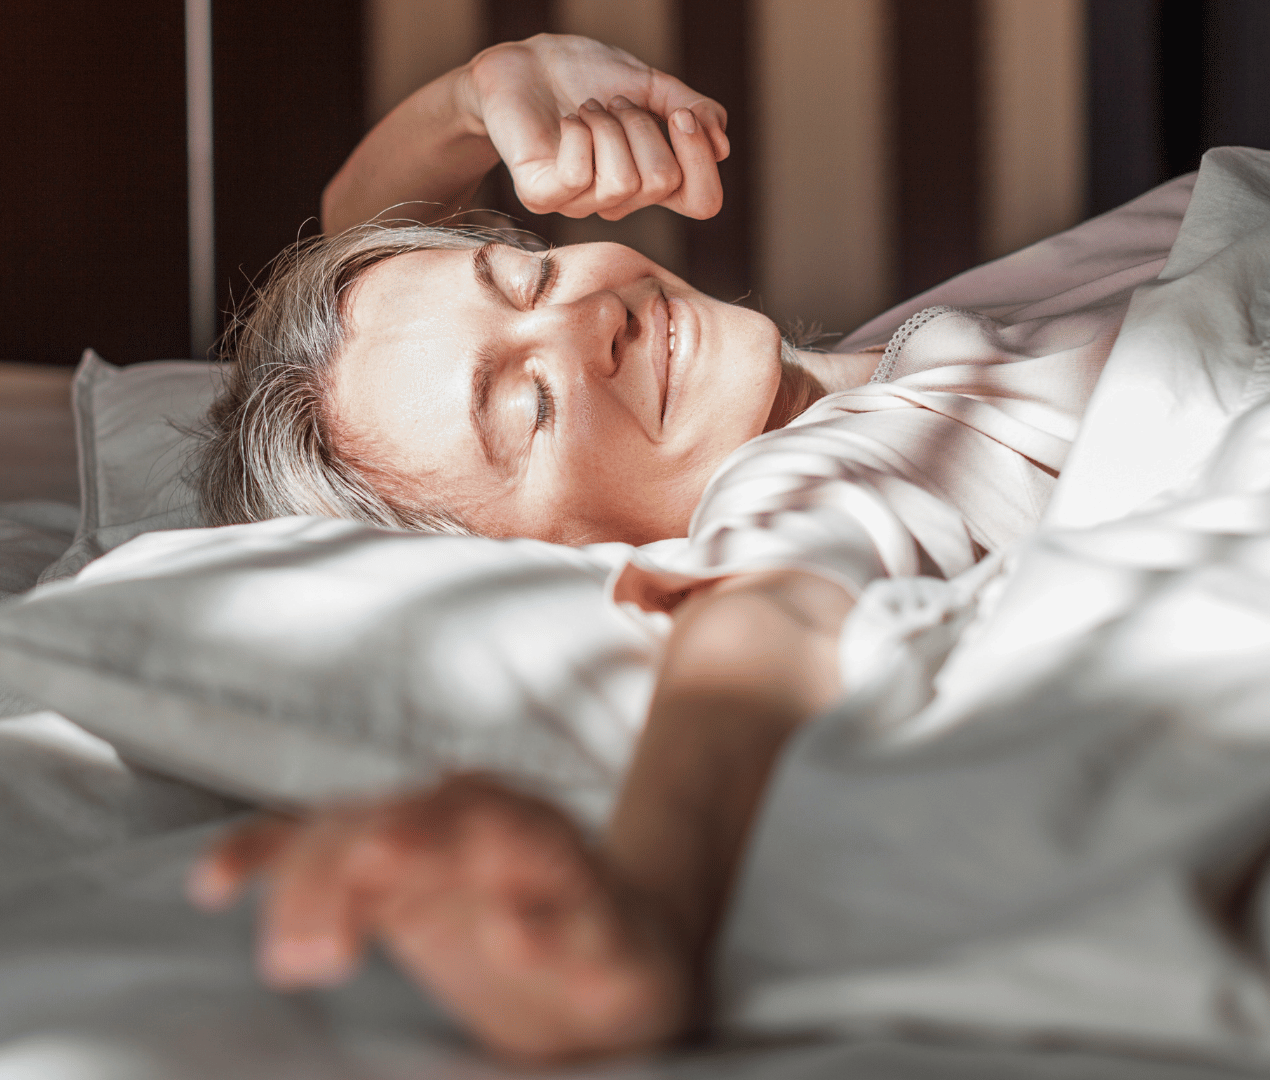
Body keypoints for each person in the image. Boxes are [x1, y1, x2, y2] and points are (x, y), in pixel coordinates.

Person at [184, 33, 1185, 1064]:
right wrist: (643, 911)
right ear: (519, 564)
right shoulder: (824, 471)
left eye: (524, 277)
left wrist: (483, 97)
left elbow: (376, 253)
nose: (585, 319)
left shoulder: (882, 364)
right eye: (526, 406)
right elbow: (764, 622)